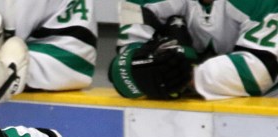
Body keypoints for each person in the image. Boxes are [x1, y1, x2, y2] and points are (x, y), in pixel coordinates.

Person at [109, 0, 278, 100]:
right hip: (177, 124)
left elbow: (259, 72)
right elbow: (124, 66)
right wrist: (139, 70)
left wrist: (184, 76)